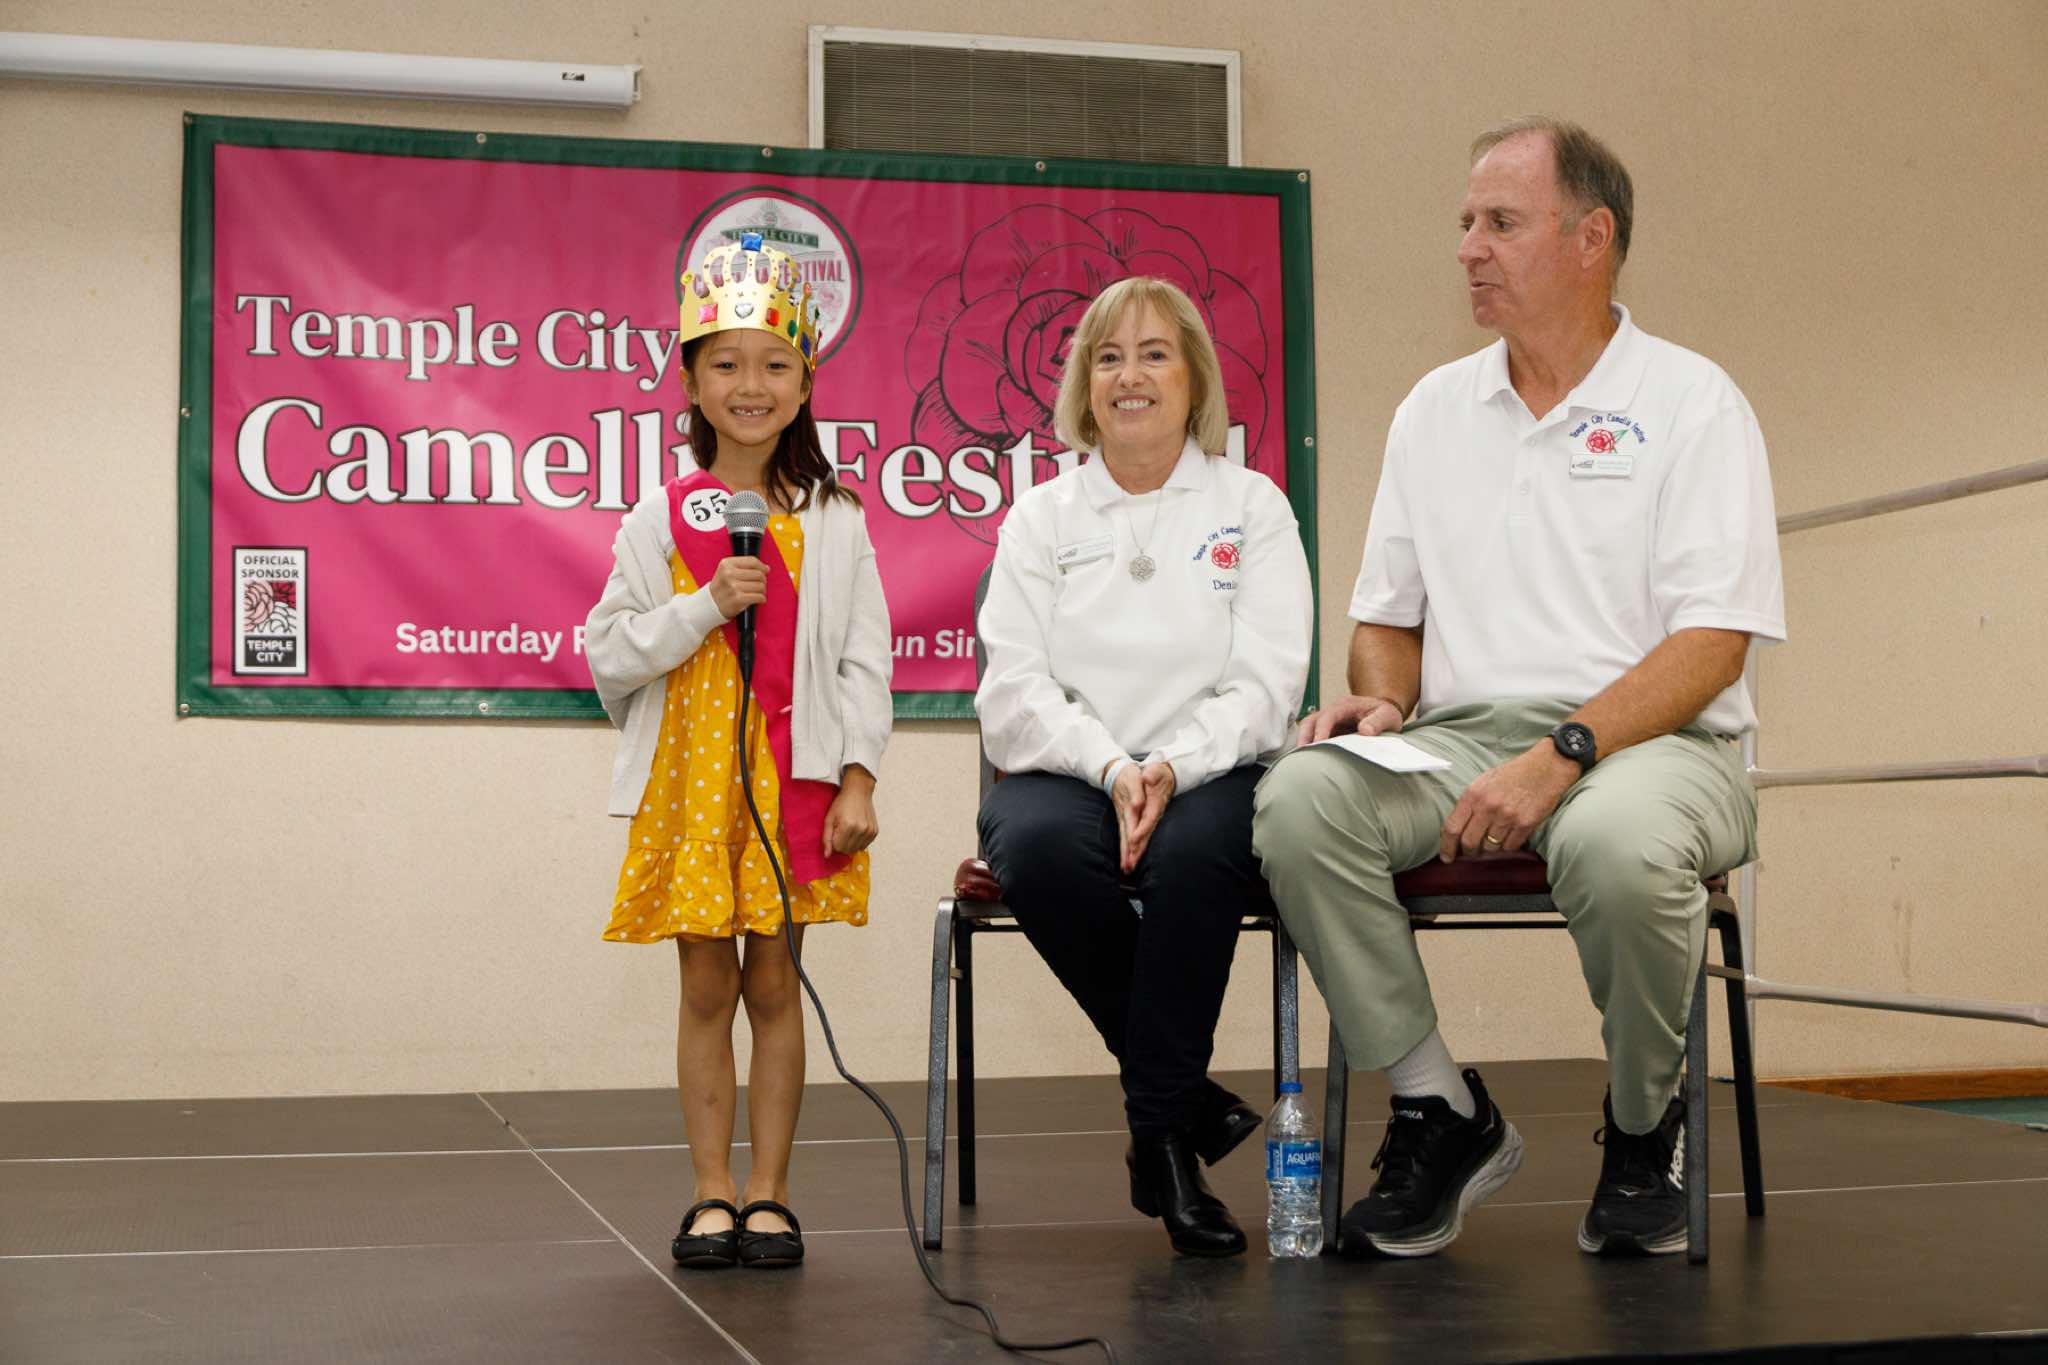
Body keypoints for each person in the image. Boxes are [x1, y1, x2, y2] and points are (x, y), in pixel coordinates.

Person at [1253, 117, 1784, 1259]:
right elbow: (1386, 621)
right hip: (1458, 737)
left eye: (1499, 222)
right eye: (1464, 222)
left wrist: (1561, 756)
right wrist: (1382, 701)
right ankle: (1439, 1108)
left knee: (1616, 844)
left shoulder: (1693, 403)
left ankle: (1643, 1127)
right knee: (1299, 798)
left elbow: (1711, 648)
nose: (1468, 248)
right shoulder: (1432, 410)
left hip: (1659, 744)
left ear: (1591, 239)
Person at [974, 275, 1313, 1257]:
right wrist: (1113, 768)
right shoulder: (1041, 517)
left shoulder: (1251, 506)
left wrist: (1171, 764)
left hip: (1214, 772)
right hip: (1070, 772)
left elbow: (1267, 685)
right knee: (1034, 848)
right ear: (1084, 386)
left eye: (1154, 354)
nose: (1130, 376)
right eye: (1109, 357)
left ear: (1192, 377)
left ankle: (1160, 1139)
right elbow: (1012, 691)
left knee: (1197, 855)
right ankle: (1177, 1111)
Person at [585, 233, 891, 1271]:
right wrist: (705, 604)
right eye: (725, 363)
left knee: (775, 984)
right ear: (690, 381)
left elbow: (864, 661)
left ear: (805, 384)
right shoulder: (657, 517)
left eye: (774, 364)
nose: (750, 385)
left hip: (793, 784)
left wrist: (858, 778)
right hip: (696, 784)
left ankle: (771, 1195)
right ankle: (710, 1191)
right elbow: (609, 652)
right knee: (706, 988)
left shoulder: (834, 517)